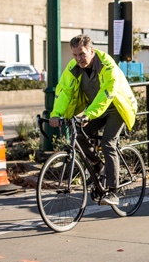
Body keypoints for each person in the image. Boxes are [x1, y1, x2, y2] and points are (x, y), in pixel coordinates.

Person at [49, 35, 138, 206]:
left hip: (117, 108)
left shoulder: (107, 65)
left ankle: (113, 191)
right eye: (74, 55)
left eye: (81, 54)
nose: (78, 59)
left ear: (92, 51)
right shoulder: (73, 67)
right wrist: (56, 113)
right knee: (79, 135)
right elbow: (64, 91)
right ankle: (98, 165)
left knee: (108, 143)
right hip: (95, 110)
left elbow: (106, 94)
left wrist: (88, 114)